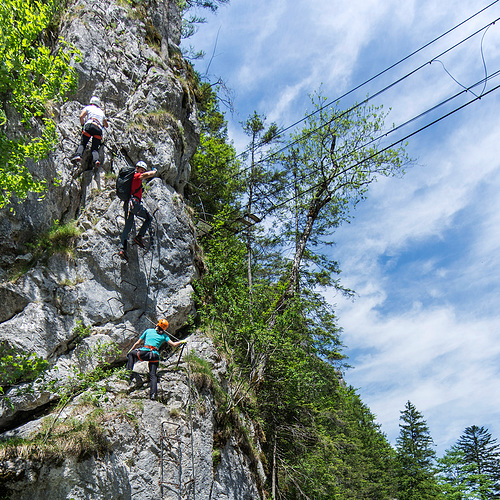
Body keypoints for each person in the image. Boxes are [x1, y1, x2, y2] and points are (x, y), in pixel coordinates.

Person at [126, 319, 186, 400]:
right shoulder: (164, 336)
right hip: (155, 355)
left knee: (132, 354)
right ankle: (153, 394)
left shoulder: (148, 331)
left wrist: (130, 351)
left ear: (157, 325)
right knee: (153, 375)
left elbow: (137, 343)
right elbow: (174, 345)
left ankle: (128, 373)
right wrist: (182, 341)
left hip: (144, 353)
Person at [119, 160, 157, 261]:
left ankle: (122, 249)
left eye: (143, 170)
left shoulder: (134, 179)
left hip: (128, 205)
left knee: (127, 227)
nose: (142, 171)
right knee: (149, 218)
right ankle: (139, 237)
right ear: (137, 168)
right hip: (134, 204)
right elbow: (147, 175)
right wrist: (154, 171)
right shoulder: (136, 176)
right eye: (141, 169)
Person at [71, 96, 109, 167]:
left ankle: (78, 155)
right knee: (94, 148)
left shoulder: (88, 107)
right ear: (98, 104)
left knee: (83, 143)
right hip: (98, 129)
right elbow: (106, 125)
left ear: (91, 102)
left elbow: (81, 117)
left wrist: (83, 126)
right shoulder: (101, 112)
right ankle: (96, 160)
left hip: (90, 125)